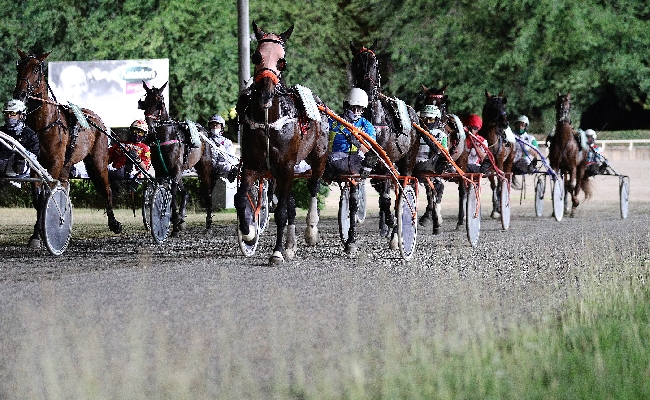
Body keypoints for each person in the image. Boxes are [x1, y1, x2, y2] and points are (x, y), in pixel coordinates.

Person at [325, 88, 377, 180]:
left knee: (372, 156)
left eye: (359, 109)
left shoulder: (367, 126)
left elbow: (370, 151)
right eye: (353, 108)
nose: (356, 112)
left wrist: (357, 144)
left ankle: (360, 179)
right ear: (346, 106)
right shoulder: (332, 121)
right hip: (333, 159)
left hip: (356, 161)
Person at [0, 99, 39, 178]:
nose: (9, 116)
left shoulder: (29, 134)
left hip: (20, 176)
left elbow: (34, 156)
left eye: (12, 113)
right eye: (6, 113)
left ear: (21, 115)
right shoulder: (1, 132)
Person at [108, 120, 151, 186]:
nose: (137, 134)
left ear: (144, 134)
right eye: (135, 131)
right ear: (131, 131)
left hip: (134, 178)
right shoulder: (119, 144)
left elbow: (145, 168)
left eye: (140, 132)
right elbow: (107, 157)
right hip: (116, 175)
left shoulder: (145, 148)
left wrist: (137, 158)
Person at [206, 114, 238, 182]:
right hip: (212, 165)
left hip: (226, 163)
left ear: (221, 127)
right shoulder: (206, 140)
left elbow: (231, 157)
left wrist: (222, 149)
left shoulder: (227, 141)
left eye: (217, 125)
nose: (214, 127)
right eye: (212, 125)